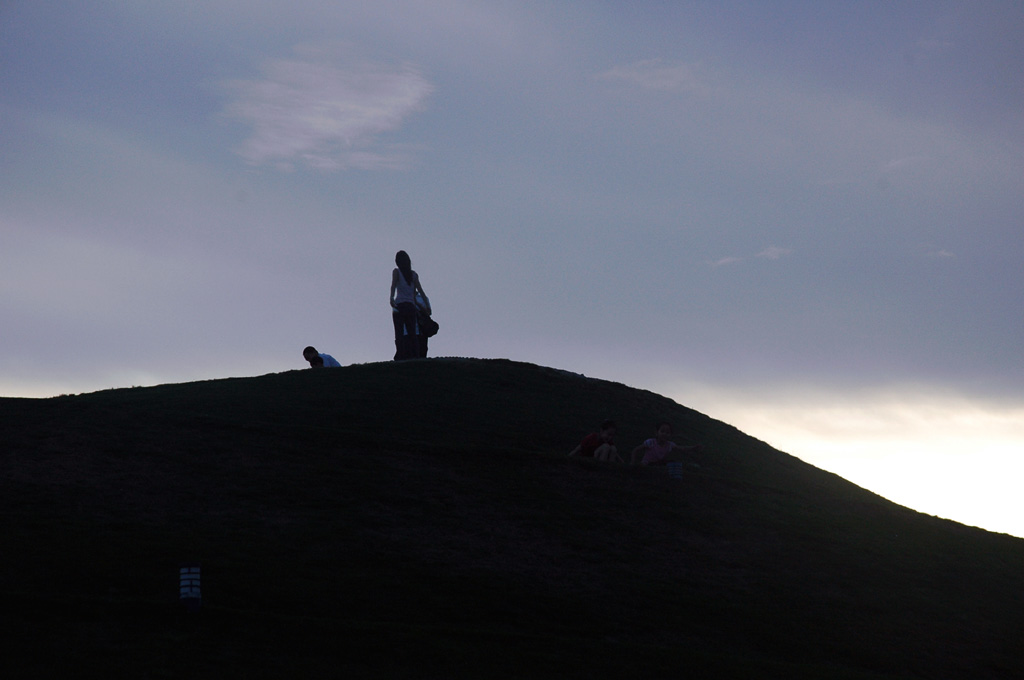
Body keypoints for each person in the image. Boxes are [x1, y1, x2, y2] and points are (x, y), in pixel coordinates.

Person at [389, 250, 430, 360]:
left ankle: (400, 355)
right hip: (410, 306)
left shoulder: (396, 272)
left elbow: (393, 286)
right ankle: (415, 355)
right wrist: (427, 305)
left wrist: (391, 298)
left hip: (399, 306)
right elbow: (420, 290)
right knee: (412, 333)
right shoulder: (413, 275)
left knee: (399, 333)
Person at [630, 422, 703, 466]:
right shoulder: (650, 442)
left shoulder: (669, 445)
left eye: (668, 432)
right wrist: (632, 462)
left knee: (672, 463)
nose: (665, 434)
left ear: (670, 435)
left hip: (659, 463)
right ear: (656, 433)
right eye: (662, 431)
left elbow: (682, 448)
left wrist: (694, 447)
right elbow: (636, 450)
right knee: (642, 466)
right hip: (647, 463)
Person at [391, 291, 433, 360]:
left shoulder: (422, 298)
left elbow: (428, 313)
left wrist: (416, 302)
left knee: (420, 356)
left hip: (420, 332)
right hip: (405, 333)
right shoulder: (398, 300)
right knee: (405, 357)